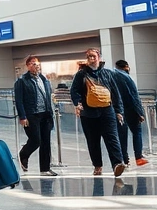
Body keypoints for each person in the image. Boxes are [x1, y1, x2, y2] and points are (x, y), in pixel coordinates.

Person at [70, 48, 126, 178]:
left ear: (99, 58)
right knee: (93, 140)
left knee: (112, 138)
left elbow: (115, 93)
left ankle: (117, 164)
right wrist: (77, 103)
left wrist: (119, 111)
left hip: (107, 111)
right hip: (88, 113)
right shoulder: (81, 75)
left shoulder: (108, 74)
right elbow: (75, 91)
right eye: (89, 56)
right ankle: (97, 165)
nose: (91, 59)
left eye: (93, 56)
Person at [13, 55, 58, 176]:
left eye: (37, 64)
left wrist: (51, 112)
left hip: (46, 114)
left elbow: (49, 96)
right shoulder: (22, 81)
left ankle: (45, 168)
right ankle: (23, 154)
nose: (36, 66)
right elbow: (19, 100)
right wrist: (22, 116)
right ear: (28, 66)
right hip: (32, 114)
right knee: (36, 140)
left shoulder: (44, 79)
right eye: (33, 64)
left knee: (46, 142)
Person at [113, 60, 148, 167]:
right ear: (126, 67)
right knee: (137, 131)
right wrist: (140, 112)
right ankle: (138, 157)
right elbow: (134, 96)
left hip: (118, 110)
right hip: (130, 109)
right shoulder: (127, 78)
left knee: (122, 135)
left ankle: (125, 159)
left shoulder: (112, 76)